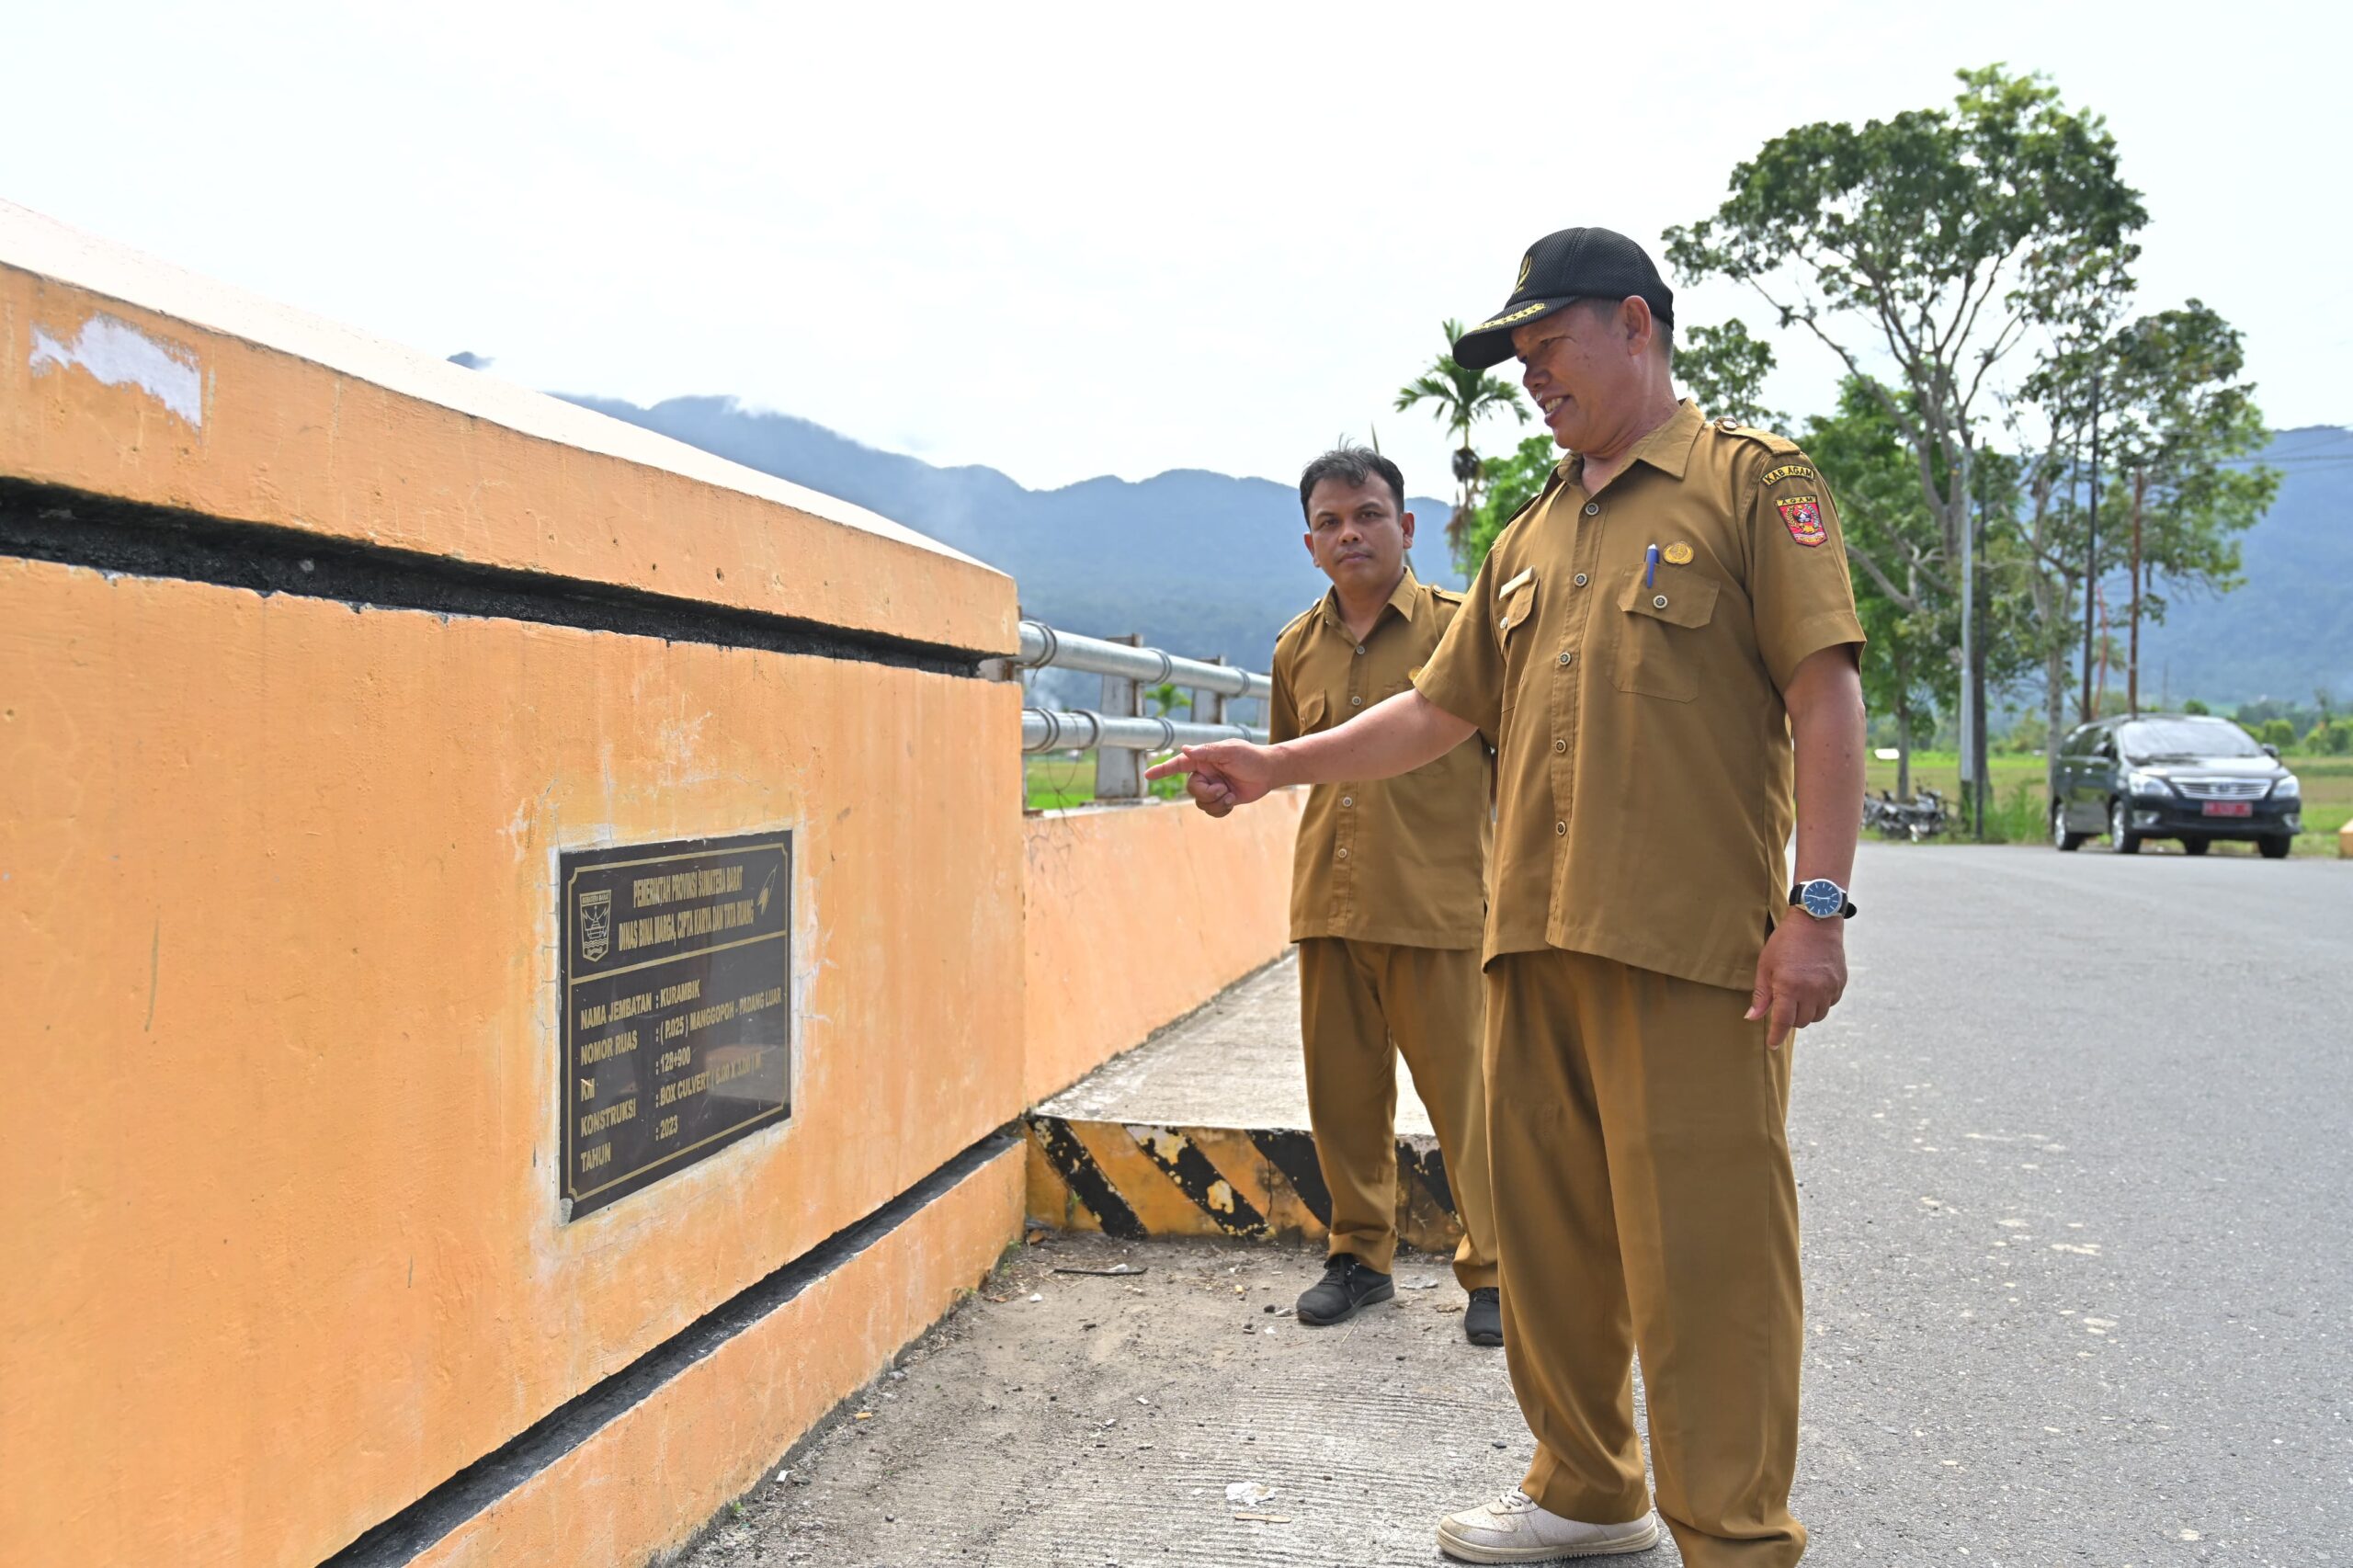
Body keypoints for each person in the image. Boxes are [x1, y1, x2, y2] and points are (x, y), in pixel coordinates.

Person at [1150, 227, 1866, 1567]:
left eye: (1550, 346)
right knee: (1548, 1252)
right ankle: (1589, 1493)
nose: (1531, 375)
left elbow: (1826, 689)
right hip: (1525, 943)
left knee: (1708, 1262)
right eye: (1519, 356)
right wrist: (1273, 764)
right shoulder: (1534, 528)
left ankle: (1733, 1540)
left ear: (1638, 326)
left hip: (1687, 950)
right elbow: (1434, 710)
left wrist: (1815, 904)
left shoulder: (1744, 485)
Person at [1244, 446, 1505, 1345]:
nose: (1348, 531)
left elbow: (1513, 769)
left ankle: (1495, 1268)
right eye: (1329, 520)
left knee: (1468, 1101)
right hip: (1327, 903)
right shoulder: (1293, 648)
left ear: (1406, 524)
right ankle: (1359, 1256)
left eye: (1366, 512)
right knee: (1342, 1097)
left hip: (1438, 906)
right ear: (1309, 541)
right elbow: (1294, 768)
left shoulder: (1463, 630)